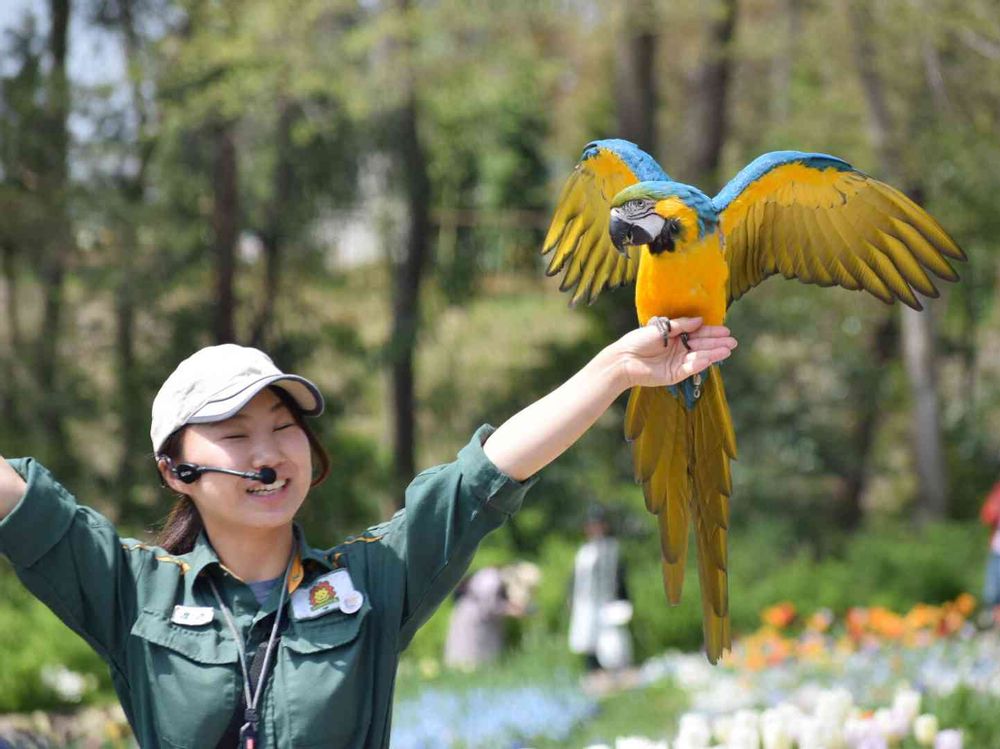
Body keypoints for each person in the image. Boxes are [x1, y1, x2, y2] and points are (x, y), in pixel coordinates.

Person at [0, 316, 735, 748]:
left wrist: (610, 371)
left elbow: (482, 479)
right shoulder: (131, 589)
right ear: (176, 470)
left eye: (284, 428)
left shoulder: (369, 580)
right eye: (234, 433)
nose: (268, 452)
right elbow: (21, 506)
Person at [568, 505, 632, 671]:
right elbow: (576, 579)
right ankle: (593, 672)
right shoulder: (584, 551)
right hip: (585, 602)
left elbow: (619, 576)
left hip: (606, 600)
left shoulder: (611, 548)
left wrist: (624, 600)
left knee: (612, 642)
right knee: (587, 639)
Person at [443, 565, 523, 670]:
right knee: (467, 651)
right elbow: (489, 605)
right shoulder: (491, 578)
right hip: (472, 616)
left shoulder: (491, 577)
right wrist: (508, 610)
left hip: (477, 617)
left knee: (481, 653)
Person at [980, 479, 1000, 627]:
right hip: (997, 551)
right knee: (992, 592)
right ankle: (994, 623)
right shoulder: (997, 493)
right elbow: (987, 516)